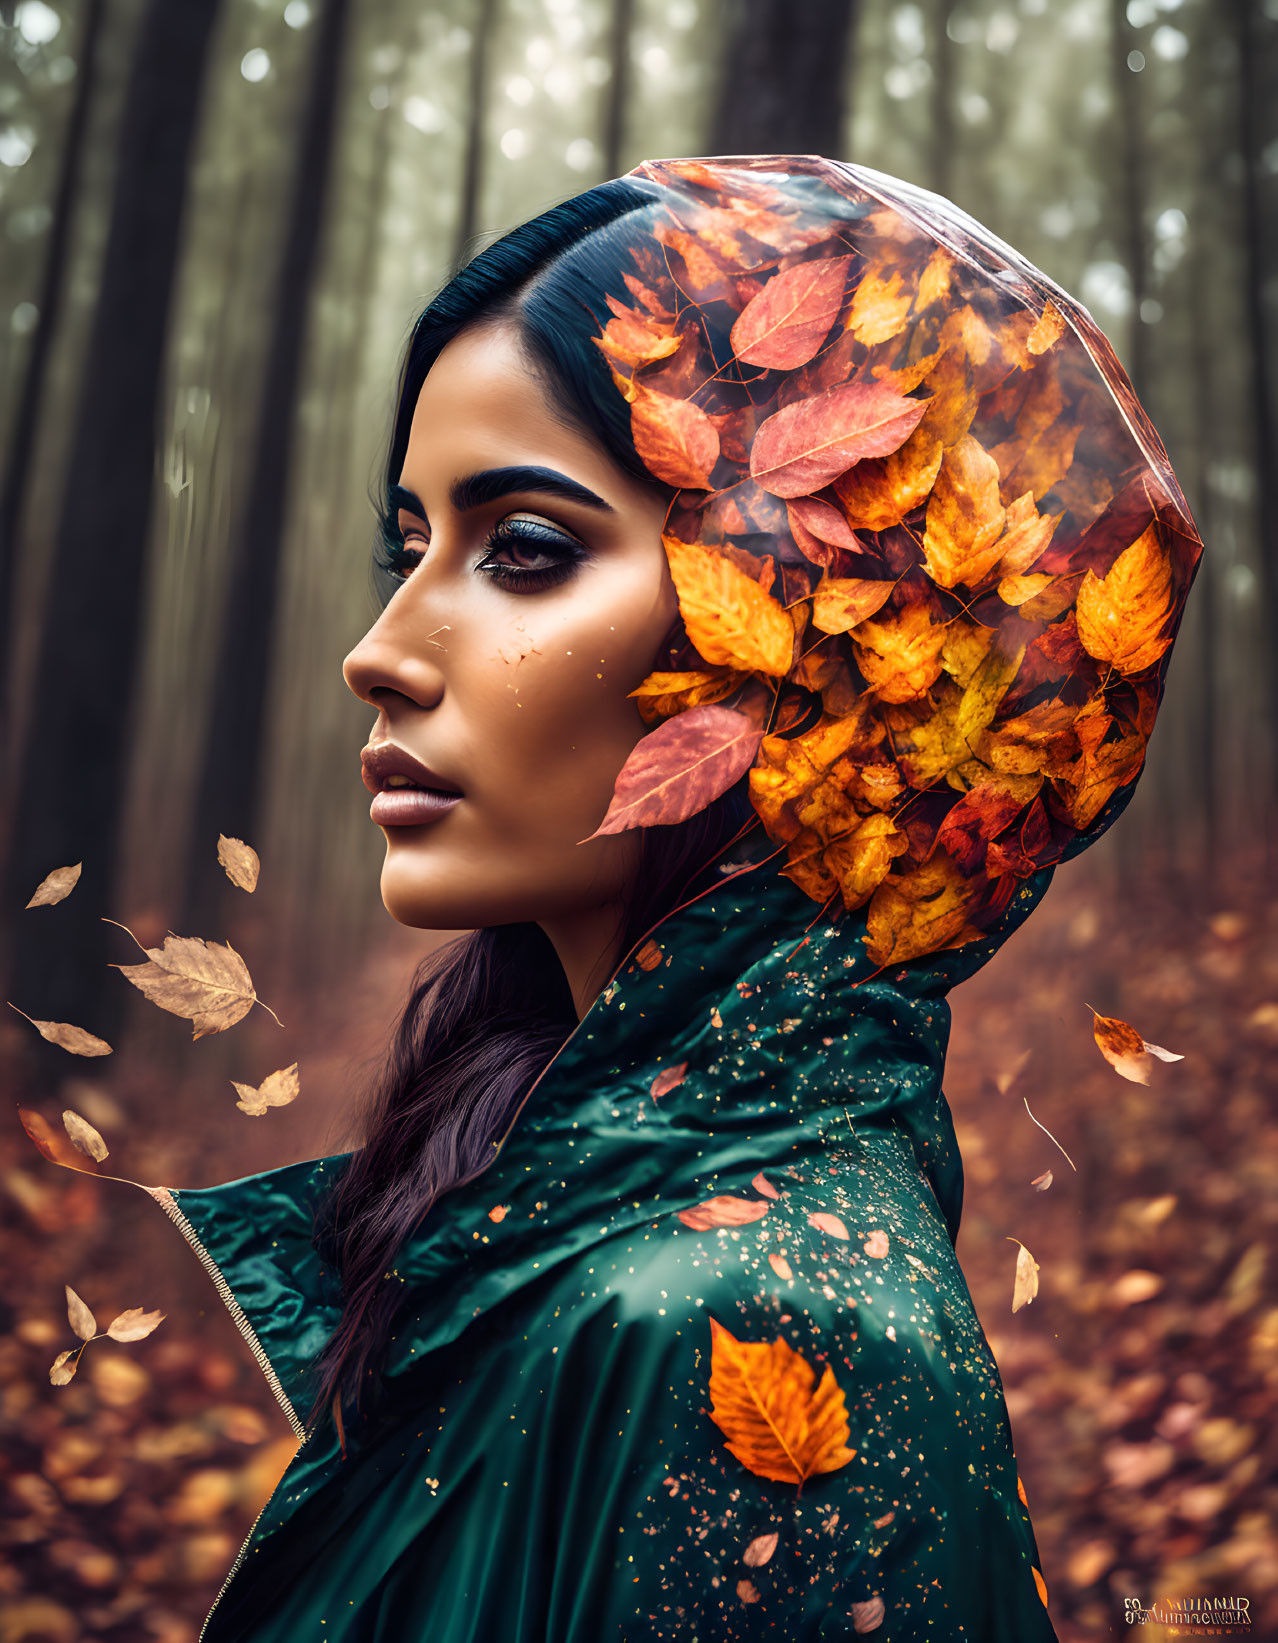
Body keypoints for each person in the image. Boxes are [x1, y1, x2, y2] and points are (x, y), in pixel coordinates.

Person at [139, 156, 1201, 1640]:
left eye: (522, 550)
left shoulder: (760, 1326)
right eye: (410, 545)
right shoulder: (570, 1224)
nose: (378, 648)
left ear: (807, 646)